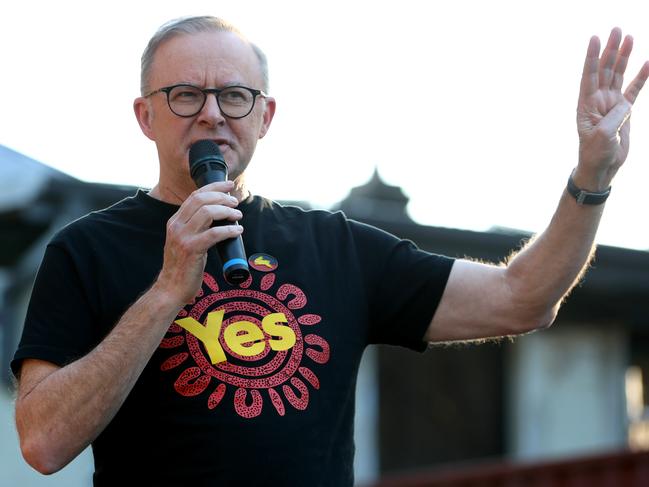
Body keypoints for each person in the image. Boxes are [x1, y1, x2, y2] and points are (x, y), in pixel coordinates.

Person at [11, 15, 649, 487]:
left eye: (235, 96)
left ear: (266, 117)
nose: (212, 115)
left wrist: (591, 177)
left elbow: (523, 298)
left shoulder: (335, 246)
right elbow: (42, 442)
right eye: (185, 95)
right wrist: (167, 290)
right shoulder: (84, 250)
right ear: (145, 116)